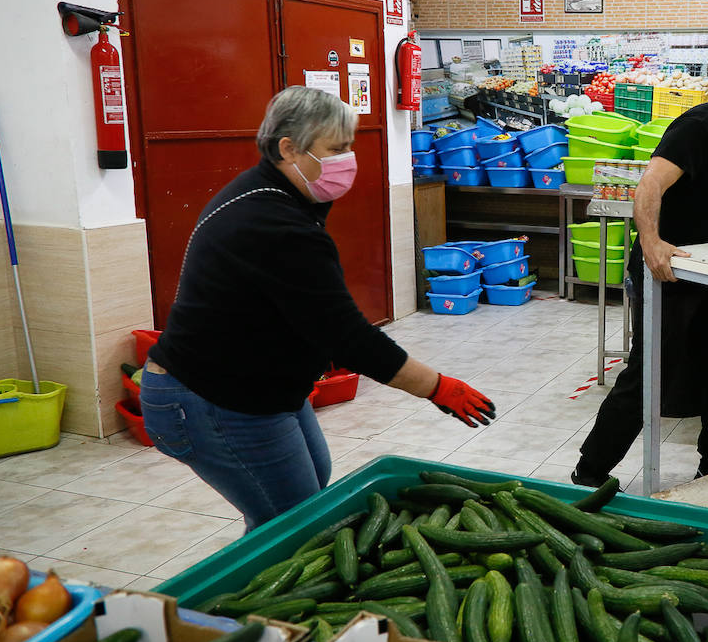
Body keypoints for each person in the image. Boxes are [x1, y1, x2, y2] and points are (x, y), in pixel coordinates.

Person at [141, 87, 496, 530]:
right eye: (336, 149)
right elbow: (345, 334)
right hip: (209, 399)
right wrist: (436, 386)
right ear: (288, 148)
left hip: (261, 388)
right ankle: (243, 597)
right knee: (292, 525)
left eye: (349, 147)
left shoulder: (279, 195)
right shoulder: (272, 221)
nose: (347, 161)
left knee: (307, 491)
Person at [572, 47, 708, 486]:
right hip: (668, 273)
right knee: (650, 375)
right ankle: (590, 471)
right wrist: (651, 242)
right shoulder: (697, 127)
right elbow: (650, 183)